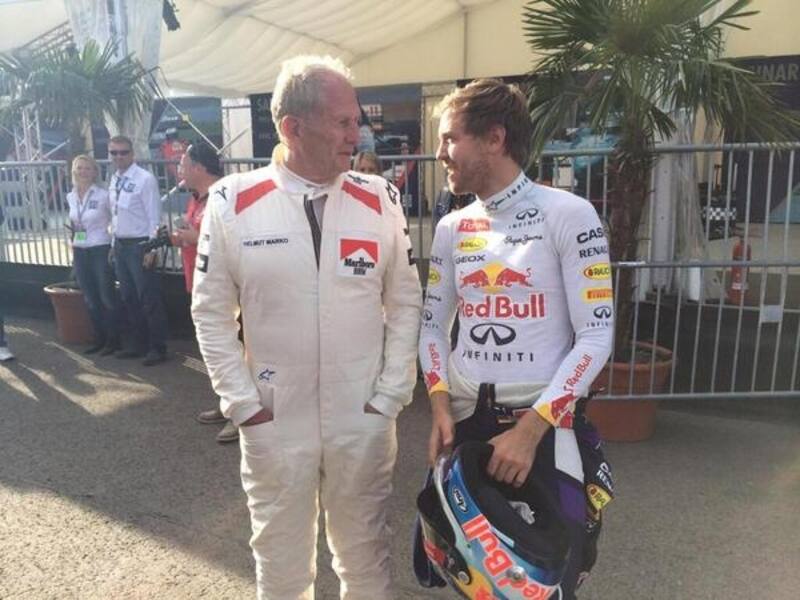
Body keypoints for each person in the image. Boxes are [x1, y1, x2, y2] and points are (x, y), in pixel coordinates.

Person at [191, 55, 422, 599]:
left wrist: (390, 395)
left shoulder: (380, 198)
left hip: (361, 415)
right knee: (281, 566)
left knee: (366, 560)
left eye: (356, 120)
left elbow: (406, 300)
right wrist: (243, 405)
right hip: (275, 418)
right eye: (342, 122)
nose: (356, 134)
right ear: (293, 127)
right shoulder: (231, 200)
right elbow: (210, 312)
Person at [417, 79, 615, 599]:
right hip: (466, 426)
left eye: (450, 138)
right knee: (472, 584)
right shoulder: (452, 227)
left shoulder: (570, 215)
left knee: (549, 584)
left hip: (542, 429)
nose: (440, 154)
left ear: (494, 138)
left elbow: (597, 336)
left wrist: (530, 431)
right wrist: (439, 405)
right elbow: (432, 327)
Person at [172, 142, 238, 444]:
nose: (179, 169)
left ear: (198, 167)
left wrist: (194, 236)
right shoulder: (197, 198)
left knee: (233, 349)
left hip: (223, 289)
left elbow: (230, 241)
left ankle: (241, 415)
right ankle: (228, 404)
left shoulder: (223, 196)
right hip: (199, 282)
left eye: (183, 163)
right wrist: (185, 237)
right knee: (216, 350)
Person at [108, 135, 169, 366]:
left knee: (148, 298)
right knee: (129, 297)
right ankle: (138, 344)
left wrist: (152, 248)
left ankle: (157, 347)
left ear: (132, 154)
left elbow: (154, 215)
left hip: (140, 245)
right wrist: (113, 244)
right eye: (114, 153)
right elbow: (116, 214)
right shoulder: (114, 179)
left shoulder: (145, 179)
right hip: (121, 245)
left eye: (123, 152)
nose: (119, 157)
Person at [66, 155, 119, 355]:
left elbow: (115, 219)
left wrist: (113, 244)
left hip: (100, 247)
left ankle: (113, 340)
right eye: (80, 168)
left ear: (95, 172)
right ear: (74, 171)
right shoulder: (70, 196)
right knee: (90, 297)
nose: (83, 172)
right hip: (80, 249)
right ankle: (99, 338)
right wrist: (73, 242)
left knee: (106, 296)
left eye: (88, 168)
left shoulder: (103, 195)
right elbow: (75, 223)